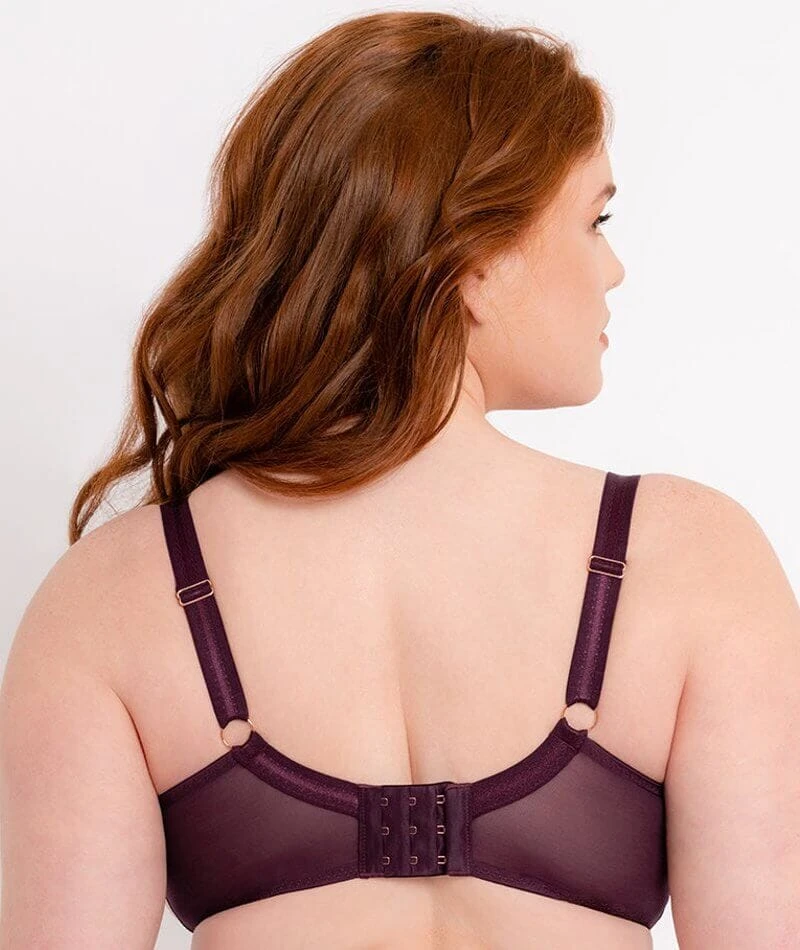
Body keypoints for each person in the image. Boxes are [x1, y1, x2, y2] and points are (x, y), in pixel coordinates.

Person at [1, 10, 798, 950]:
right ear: (474, 257)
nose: (614, 268)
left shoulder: (111, 596)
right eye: (596, 221)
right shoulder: (691, 558)